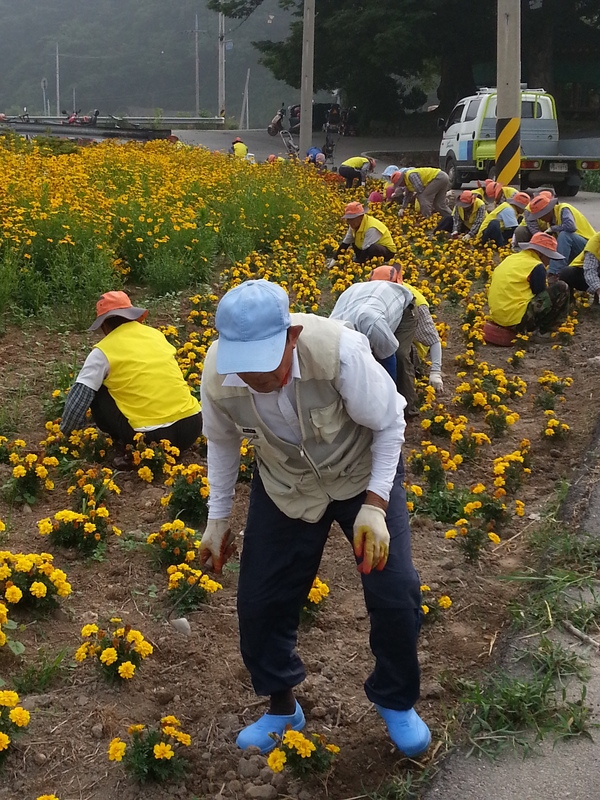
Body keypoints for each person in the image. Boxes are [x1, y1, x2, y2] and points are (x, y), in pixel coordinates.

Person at [199, 279, 430, 759]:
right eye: (246, 366)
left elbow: (389, 423)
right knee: (261, 599)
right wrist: (217, 518)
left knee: (395, 591)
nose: (258, 379)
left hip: (361, 472)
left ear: (291, 335)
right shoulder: (217, 373)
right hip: (287, 484)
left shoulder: (340, 350)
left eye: (267, 363)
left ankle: (396, 699)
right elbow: (222, 442)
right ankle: (282, 707)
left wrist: (376, 506)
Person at [60, 292, 202, 458]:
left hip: (149, 438)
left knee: (95, 386)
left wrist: (68, 434)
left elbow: (80, 396)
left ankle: (123, 443)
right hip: (191, 427)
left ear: (104, 325)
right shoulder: (156, 335)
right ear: (132, 316)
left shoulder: (103, 350)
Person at [329, 277, 419, 415]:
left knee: (400, 354)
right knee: (365, 361)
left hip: (402, 304)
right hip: (366, 296)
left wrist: (388, 403)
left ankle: (407, 407)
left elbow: (389, 361)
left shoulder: (371, 324)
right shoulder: (331, 330)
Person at [370, 265, 444, 395]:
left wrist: (435, 372)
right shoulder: (374, 296)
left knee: (398, 353)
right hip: (386, 338)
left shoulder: (415, 302)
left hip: (411, 349)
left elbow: (433, 339)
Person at [487, 232, 570, 336]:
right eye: (549, 257)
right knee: (562, 287)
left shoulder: (511, 259)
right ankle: (545, 332)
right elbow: (541, 296)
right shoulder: (536, 266)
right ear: (541, 253)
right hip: (517, 321)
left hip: (498, 317)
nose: (549, 262)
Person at [512, 194, 596, 275]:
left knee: (564, 235)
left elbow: (571, 227)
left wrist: (553, 229)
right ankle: (555, 270)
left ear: (547, 212)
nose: (540, 219)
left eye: (540, 216)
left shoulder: (563, 209)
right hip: (577, 249)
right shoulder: (551, 220)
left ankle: (554, 273)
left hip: (590, 247)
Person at [332, 201, 397, 265]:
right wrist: (334, 261)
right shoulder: (353, 226)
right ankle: (361, 260)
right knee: (354, 240)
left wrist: (359, 266)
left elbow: (366, 247)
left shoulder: (371, 227)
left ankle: (374, 263)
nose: (349, 222)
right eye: (348, 219)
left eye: (352, 219)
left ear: (360, 217)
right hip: (366, 248)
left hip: (386, 251)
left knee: (372, 248)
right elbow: (345, 243)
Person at [558, 231, 600, 302]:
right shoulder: (595, 243)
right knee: (565, 273)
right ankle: (570, 302)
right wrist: (599, 290)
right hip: (583, 272)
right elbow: (590, 272)